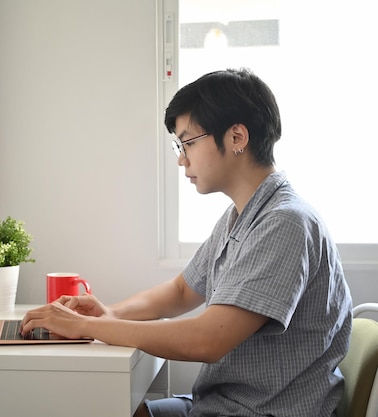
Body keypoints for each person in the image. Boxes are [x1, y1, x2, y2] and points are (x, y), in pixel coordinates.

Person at [21, 68, 352, 417]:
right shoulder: (240, 216)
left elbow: (206, 340)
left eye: (188, 143)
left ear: (237, 136)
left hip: (264, 410)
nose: (182, 159)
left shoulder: (285, 222)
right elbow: (181, 291)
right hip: (228, 402)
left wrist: (88, 327)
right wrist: (111, 311)